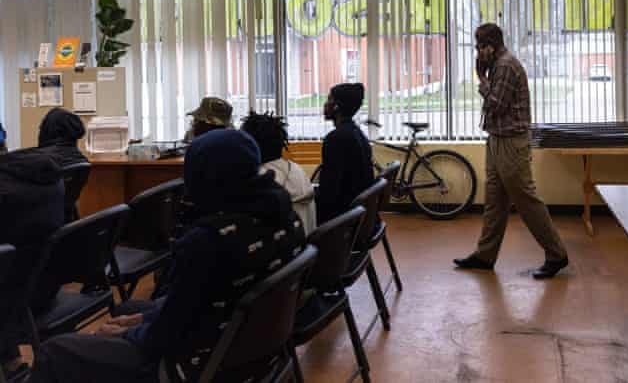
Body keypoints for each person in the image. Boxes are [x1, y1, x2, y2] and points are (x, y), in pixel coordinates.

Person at [30, 129, 306, 383]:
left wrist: (128, 332)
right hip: (251, 353)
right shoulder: (286, 218)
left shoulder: (208, 242)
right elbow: (196, 301)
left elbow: (162, 336)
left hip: (194, 365)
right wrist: (141, 319)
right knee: (128, 309)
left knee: (54, 352)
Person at [454, 23, 569, 280]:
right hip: (497, 139)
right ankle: (485, 255)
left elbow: (496, 105)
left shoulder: (505, 65)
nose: (477, 52)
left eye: (480, 47)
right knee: (495, 201)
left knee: (525, 199)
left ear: (491, 46)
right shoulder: (498, 65)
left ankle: (556, 254)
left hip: (511, 143)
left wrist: (481, 79)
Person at [0, 149, 64, 381]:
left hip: (15, 302)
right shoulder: (51, 178)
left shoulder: (5, 192)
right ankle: (11, 361)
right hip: (45, 285)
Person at [241, 110, 315, 231]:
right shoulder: (296, 169)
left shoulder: (260, 179)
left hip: (284, 241)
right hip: (304, 240)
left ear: (250, 144)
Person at [315, 83, 373, 225]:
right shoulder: (357, 133)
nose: (325, 104)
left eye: (329, 99)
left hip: (343, 220)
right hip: (360, 215)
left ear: (336, 106)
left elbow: (329, 192)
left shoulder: (335, 139)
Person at [36, 108, 89, 222]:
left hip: (40, 222)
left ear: (47, 130)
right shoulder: (81, 160)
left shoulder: (40, 162)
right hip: (66, 220)